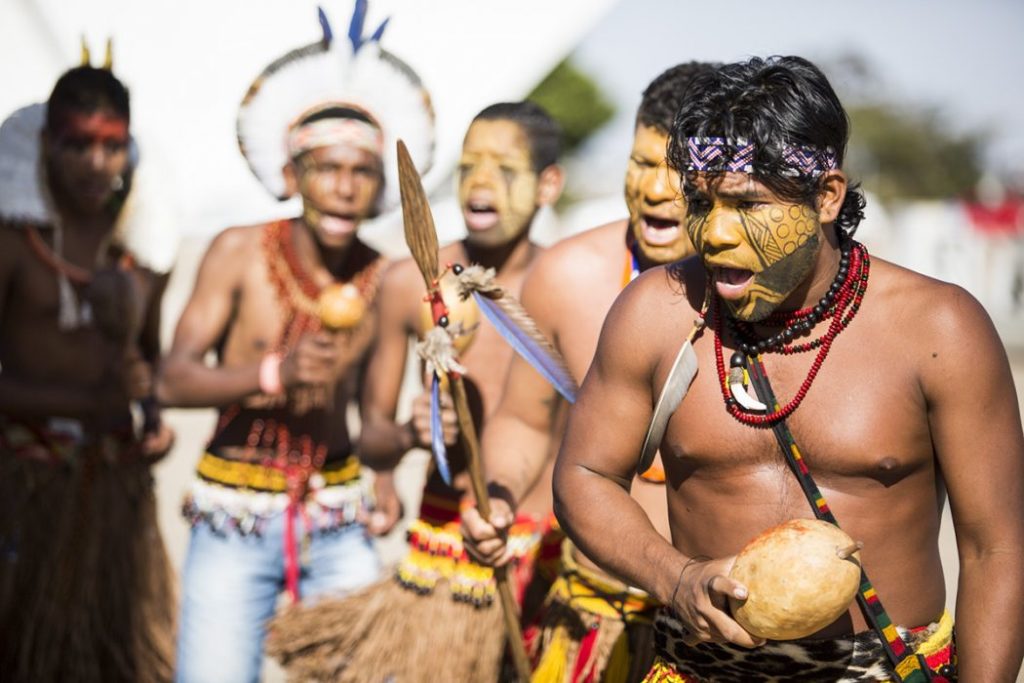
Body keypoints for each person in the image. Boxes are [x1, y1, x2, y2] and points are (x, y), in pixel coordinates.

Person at [552, 55, 1024, 682]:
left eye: (747, 204)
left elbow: (998, 547)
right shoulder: (657, 313)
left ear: (826, 196)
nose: (714, 233)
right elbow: (584, 474)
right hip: (698, 668)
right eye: (702, 202)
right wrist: (676, 577)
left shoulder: (939, 329)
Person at [154, 6, 435, 681]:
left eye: (362, 171)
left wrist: (398, 453)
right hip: (233, 516)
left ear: (381, 188)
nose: (344, 186)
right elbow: (171, 379)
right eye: (326, 166)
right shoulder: (238, 252)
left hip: (338, 514)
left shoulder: (385, 278)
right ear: (290, 174)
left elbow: (372, 421)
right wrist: (272, 373)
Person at [267, 100, 565, 682]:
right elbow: (372, 442)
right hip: (444, 558)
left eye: (504, 169)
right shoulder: (410, 282)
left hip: (548, 555)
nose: (480, 183)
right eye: (469, 167)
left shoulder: (574, 282)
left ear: (548, 184)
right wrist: (412, 433)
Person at [461, 63, 716, 683]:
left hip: (718, 636)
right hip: (590, 611)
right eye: (640, 162)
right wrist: (496, 494)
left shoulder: (762, 295)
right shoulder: (568, 274)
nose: (654, 188)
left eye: (677, 170)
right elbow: (524, 421)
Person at [0, 55, 177, 682]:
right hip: (23, 484)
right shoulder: (12, 244)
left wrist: (154, 417)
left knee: (115, 657)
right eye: (77, 145)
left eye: (112, 146)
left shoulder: (141, 250)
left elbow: (147, 361)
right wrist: (77, 406)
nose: (96, 164)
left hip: (114, 486)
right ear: (46, 143)